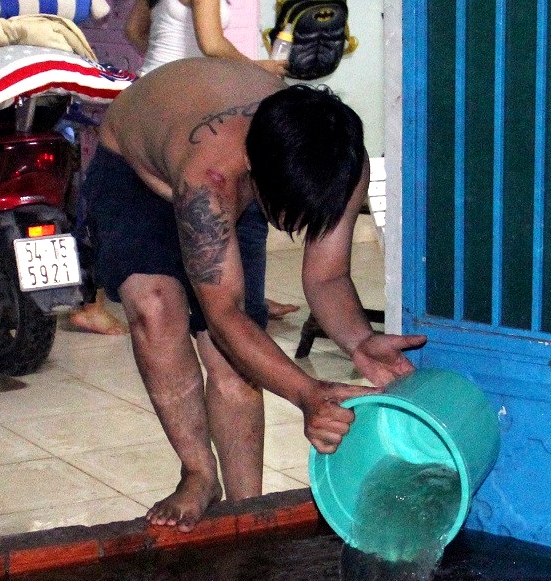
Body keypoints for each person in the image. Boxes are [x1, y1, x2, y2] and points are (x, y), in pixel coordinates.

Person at [83, 58, 426, 529]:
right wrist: (306, 392)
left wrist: (360, 341)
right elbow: (223, 316)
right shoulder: (211, 179)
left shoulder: (340, 162)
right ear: (253, 172)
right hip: (136, 167)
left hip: (227, 168)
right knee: (157, 309)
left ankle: (247, 509)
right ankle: (199, 473)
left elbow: (326, 277)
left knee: (235, 361)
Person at [124, 0, 298, 320]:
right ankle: (243, 306)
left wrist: (167, 64)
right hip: (180, 102)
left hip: (150, 94)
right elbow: (212, 44)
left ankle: (237, 299)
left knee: (170, 210)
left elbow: (134, 30)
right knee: (242, 210)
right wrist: (258, 69)